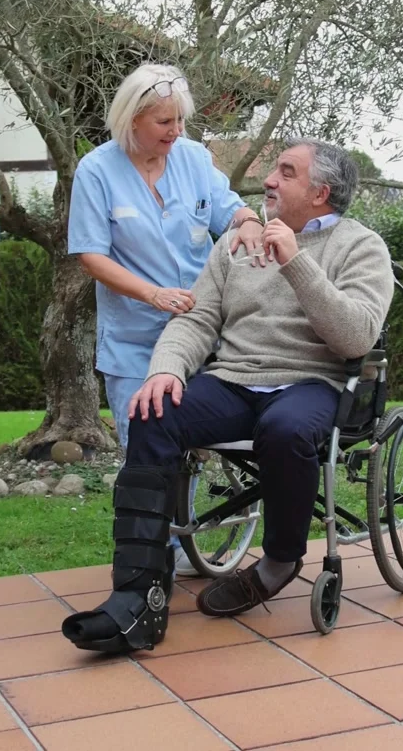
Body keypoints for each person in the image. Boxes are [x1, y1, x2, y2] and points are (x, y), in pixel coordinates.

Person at [62, 136, 394, 655]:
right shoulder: (236, 244)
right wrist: (165, 370)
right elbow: (196, 319)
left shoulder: (361, 246)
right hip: (235, 379)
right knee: (156, 412)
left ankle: (279, 561)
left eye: (286, 172)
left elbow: (356, 337)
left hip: (313, 383)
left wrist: (296, 262)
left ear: (320, 193)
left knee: (284, 429)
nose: (268, 180)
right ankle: (138, 595)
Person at [68, 62, 265, 575]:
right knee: (143, 445)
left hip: (203, 334)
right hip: (134, 338)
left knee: (205, 435)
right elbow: (92, 255)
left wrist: (246, 221)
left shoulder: (195, 158)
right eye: (164, 122)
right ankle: (154, 558)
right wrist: (153, 294)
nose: (176, 132)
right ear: (132, 119)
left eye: (180, 120)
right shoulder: (96, 171)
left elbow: (227, 208)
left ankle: (193, 536)